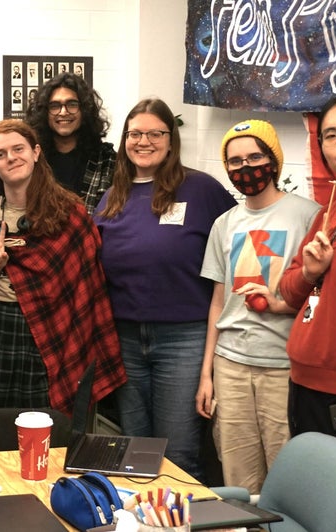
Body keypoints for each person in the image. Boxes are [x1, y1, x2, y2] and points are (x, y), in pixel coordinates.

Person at [94, 98, 236, 479]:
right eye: (135, 134)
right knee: (136, 450)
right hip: (125, 338)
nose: (144, 142)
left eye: (154, 133)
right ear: (124, 140)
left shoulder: (201, 189)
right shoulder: (113, 196)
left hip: (183, 339)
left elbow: (239, 238)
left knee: (178, 453)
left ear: (171, 140)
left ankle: (183, 511)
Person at [0, 119, 126, 413]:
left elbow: (86, 289)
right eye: (0, 154)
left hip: (54, 332)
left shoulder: (69, 214)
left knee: (45, 422)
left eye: (18, 149)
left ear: (36, 152)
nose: (11, 158)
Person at [196, 120, 319, 493]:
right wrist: (206, 374)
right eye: (235, 161)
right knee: (239, 478)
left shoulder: (309, 216)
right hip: (230, 366)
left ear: (273, 160)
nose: (245, 167)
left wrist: (281, 305)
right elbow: (218, 303)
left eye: (254, 157)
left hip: (284, 368)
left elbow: (319, 297)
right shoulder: (224, 224)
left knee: (287, 478)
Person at [280, 92, 336, 448]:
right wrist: (310, 273)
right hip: (304, 382)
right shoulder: (326, 214)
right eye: (331, 135)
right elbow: (289, 290)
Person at [26, 72, 116, 216]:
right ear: (44, 112)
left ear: (84, 110)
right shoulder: (32, 158)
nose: (63, 112)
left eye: (72, 104)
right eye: (55, 106)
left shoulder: (106, 160)